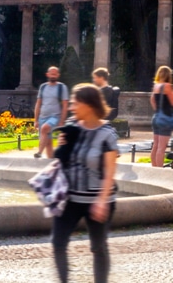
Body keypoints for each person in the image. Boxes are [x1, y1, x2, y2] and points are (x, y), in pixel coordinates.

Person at [51, 83, 118, 283]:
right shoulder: (72, 128)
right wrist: (62, 147)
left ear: (89, 104)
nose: (71, 107)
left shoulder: (107, 134)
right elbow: (60, 159)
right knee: (58, 243)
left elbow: (110, 171)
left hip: (98, 199)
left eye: (75, 103)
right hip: (70, 198)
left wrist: (101, 201)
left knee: (98, 247)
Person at [34, 66, 69, 159]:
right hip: (42, 117)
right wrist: (36, 120)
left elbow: (65, 105)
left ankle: (39, 152)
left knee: (44, 128)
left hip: (55, 116)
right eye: (51, 74)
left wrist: (62, 120)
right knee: (48, 143)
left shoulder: (62, 87)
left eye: (55, 74)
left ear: (58, 75)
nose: (53, 76)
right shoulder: (43, 87)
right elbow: (38, 104)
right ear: (47, 74)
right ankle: (51, 161)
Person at [149, 66, 173, 167]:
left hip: (156, 117)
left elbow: (152, 100)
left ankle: (154, 168)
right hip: (165, 118)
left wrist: (158, 111)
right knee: (161, 148)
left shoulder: (156, 86)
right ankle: (160, 171)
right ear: (168, 75)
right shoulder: (167, 86)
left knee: (155, 146)